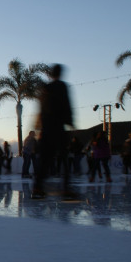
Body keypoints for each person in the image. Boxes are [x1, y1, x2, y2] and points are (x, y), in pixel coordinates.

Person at [33, 64, 75, 200]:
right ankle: (66, 189)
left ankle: (37, 187)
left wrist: (38, 127)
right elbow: (66, 105)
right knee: (64, 159)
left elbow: (40, 109)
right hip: (57, 128)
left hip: (46, 129)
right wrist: (70, 122)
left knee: (45, 160)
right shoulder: (62, 86)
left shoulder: (45, 88)